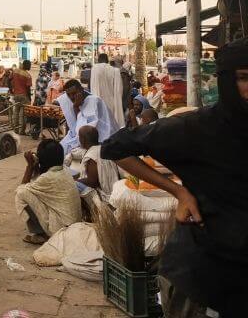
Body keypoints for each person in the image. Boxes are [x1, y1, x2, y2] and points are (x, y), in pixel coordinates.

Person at [101, 38, 248, 317]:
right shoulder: (194, 127)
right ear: (227, 80)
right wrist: (178, 192)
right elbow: (115, 147)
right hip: (198, 275)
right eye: (243, 78)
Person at [15, 139, 82, 244]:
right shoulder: (63, 170)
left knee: (21, 194)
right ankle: (42, 232)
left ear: (42, 159)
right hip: (72, 226)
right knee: (31, 192)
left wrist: (29, 166)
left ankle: (41, 234)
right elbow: (38, 182)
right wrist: (36, 166)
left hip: (61, 230)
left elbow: (21, 188)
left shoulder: (48, 177)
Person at [57, 79, 118, 154]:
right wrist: (76, 107)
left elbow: (85, 130)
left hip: (104, 139)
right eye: (68, 95)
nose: (71, 97)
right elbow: (76, 127)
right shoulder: (77, 101)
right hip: (88, 138)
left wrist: (76, 107)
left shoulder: (93, 101)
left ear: (81, 90)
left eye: (74, 93)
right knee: (59, 149)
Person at [74, 125, 119, 203]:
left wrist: (74, 181)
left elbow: (92, 182)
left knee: (72, 185)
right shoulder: (102, 148)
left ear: (83, 140)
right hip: (113, 190)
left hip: (103, 196)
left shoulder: (92, 156)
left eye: (79, 137)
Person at [90, 53, 126, 130]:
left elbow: (92, 87)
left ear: (99, 60)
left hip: (98, 101)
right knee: (111, 125)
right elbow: (119, 90)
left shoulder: (95, 68)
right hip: (112, 102)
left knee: (101, 126)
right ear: (107, 60)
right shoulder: (115, 71)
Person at [10, 60, 32, 135]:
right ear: (27, 65)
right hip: (24, 96)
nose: (30, 66)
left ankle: (15, 130)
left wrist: (11, 90)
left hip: (16, 95)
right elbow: (28, 88)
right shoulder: (28, 75)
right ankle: (21, 131)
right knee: (23, 115)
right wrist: (29, 98)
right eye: (29, 65)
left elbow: (9, 80)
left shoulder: (15, 71)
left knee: (16, 112)